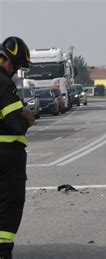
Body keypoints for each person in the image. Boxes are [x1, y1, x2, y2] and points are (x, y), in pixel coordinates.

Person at [0, 36, 34, 259]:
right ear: (8, 60)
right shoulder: (3, 82)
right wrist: (27, 118)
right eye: (17, 66)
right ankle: (3, 251)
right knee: (10, 202)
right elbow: (14, 124)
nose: (15, 72)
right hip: (6, 155)